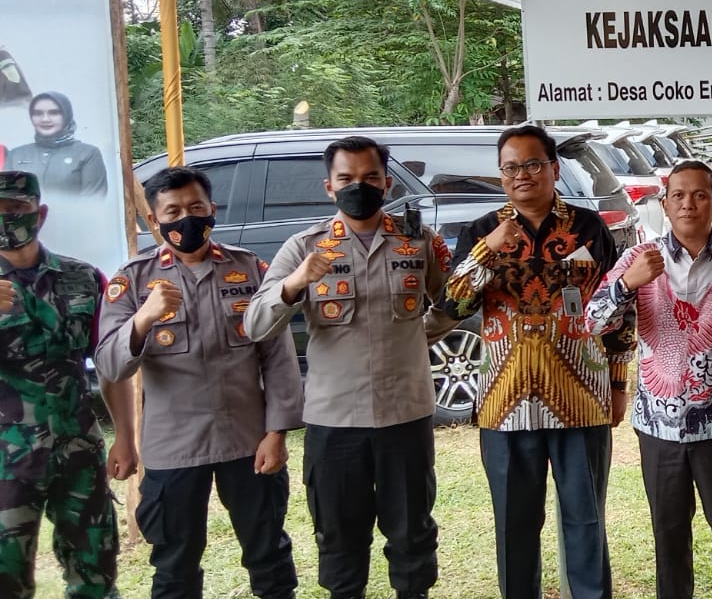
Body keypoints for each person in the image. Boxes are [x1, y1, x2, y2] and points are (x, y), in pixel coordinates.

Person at [244, 136, 458, 599]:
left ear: (385, 182)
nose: (358, 186)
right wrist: (297, 281)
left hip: (405, 415)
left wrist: (412, 338)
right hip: (334, 421)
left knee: (412, 538)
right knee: (340, 541)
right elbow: (256, 323)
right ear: (328, 186)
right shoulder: (304, 246)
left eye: (369, 178)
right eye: (346, 179)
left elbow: (452, 304)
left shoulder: (419, 242)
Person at [94, 166, 304, 599]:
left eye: (196, 207)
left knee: (269, 556)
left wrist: (277, 432)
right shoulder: (132, 280)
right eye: (172, 211)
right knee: (175, 565)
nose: (186, 218)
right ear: (154, 221)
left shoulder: (250, 269)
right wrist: (144, 317)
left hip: (247, 441)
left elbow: (278, 358)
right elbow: (110, 365)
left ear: (213, 210)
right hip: (174, 446)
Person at [441, 125, 631, 599]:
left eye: (532, 164)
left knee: (585, 520)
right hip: (506, 406)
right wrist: (489, 250)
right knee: (514, 524)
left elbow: (618, 307)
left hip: (581, 400)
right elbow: (454, 304)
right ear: (501, 175)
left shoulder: (588, 228)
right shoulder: (483, 230)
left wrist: (619, 382)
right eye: (511, 167)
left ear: (554, 168)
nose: (522, 175)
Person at [585, 160, 712, 599]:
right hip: (659, 426)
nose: (688, 204)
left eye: (699, 195)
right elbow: (593, 321)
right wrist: (626, 286)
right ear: (665, 203)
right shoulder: (639, 259)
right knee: (669, 537)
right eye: (678, 195)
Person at [0, 170, 136, 598]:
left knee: (95, 573)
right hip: (7, 459)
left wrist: (126, 439)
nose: (7, 219)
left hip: (79, 448)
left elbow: (110, 364)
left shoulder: (83, 278)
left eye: (16, 209)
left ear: (39, 214)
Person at [7, 92, 108, 197]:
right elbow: (6, 199)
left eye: (54, 113)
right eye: (38, 113)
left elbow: (94, 202)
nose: (45, 119)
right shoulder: (15, 155)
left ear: (66, 116)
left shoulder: (88, 154)